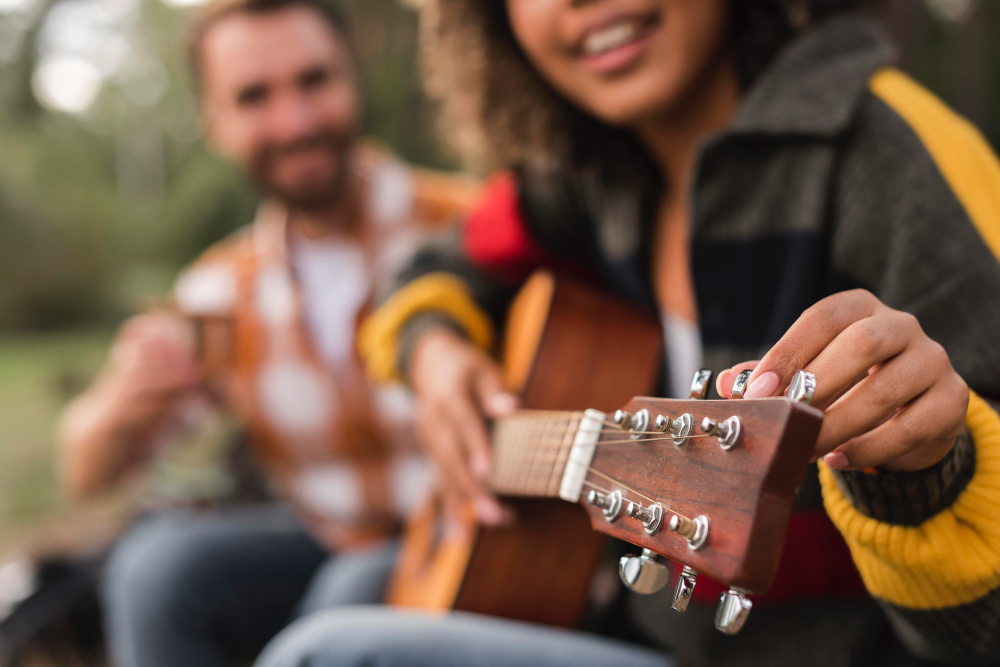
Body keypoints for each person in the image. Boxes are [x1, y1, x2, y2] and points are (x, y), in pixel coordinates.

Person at [254, 0, 1000, 666]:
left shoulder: (894, 153)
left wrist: (928, 479)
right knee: (346, 581)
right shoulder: (589, 169)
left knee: (329, 652)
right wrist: (437, 352)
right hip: (635, 626)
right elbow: (432, 268)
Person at [55, 0, 480, 664]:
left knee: (355, 586)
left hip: (471, 545)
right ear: (214, 122)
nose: (296, 121)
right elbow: (86, 471)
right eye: (254, 97)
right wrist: (120, 400)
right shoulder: (219, 294)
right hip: (321, 538)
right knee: (155, 569)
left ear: (353, 77)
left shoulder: (473, 227)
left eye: (314, 81)